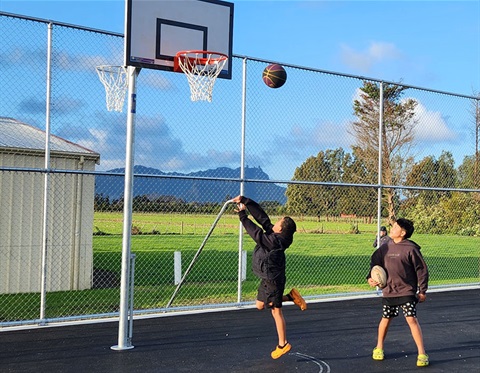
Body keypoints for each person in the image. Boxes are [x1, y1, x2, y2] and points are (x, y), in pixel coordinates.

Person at [232, 195, 307, 359]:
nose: (276, 223)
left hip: (273, 280)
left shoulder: (274, 241)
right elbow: (263, 219)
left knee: (276, 311)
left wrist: (242, 215)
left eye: (279, 222)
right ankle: (291, 296)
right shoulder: (277, 235)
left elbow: (256, 233)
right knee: (259, 305)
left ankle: (283, 344)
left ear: (280, 230)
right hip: (268, 278)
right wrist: (246, 201)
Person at [367, 218, 429, 367]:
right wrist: (370, 277)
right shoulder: (385, 247)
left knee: (411, 319)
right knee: (386, 319)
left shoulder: (411, 248)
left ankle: (422, 353)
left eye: (395, 227)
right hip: (389, 291)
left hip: (406, 291)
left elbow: (422, 270)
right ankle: (379, 347)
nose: (392, 228)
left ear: (402, 232)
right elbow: (374, 263)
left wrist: (422, 290)